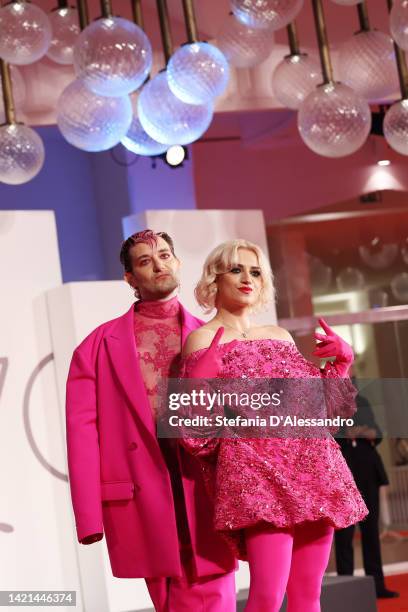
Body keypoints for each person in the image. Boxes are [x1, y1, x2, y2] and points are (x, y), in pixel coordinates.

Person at [178, 238, 369, 612]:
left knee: (308, 597)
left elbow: (326, 415)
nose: (247, 278)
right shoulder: (201, 340)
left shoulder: (279, 336)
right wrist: (199, 386)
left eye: (255, 271)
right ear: (215, 279)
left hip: (314, 470)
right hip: (257, 477)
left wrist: (342, 367)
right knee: (266, 598)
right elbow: (196, 439)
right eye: (236, 269)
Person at [65, 230, 236, 612]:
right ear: (130, 278)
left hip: (206, 484)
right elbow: (81, 435)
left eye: (164, 255)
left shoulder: (216, 336)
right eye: (145, 260)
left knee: (217, 593)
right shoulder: (95, 347)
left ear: (177, 262)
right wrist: (89, 516)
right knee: (168, 600)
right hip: (142, 493)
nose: (159, 265)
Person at [335, 386, 399, 599]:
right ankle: (346, 587)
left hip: (368, 472)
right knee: (344, 535)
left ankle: (377, 585)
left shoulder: (361, 400)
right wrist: (347, 433)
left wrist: (368, 432)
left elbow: (377, 432)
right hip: (342, 475)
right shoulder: (327, 405)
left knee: (371, 532)